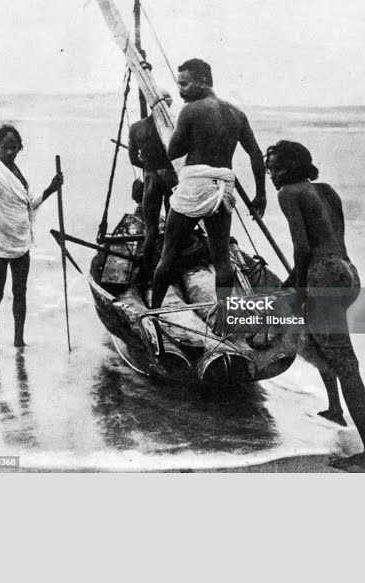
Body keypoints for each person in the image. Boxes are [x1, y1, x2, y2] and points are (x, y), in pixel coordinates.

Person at [265, 141, 365, 469]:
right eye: (268, 168)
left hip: (321, 276)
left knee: (345, 365)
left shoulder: (288, 193)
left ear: (294, 166)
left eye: (277, 168)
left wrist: (295, 284)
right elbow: (333, 237)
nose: (272, 175)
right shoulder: (325, 189)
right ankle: (335, 409)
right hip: (347, 273)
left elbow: (303, 248)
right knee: (313, 337)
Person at [151, 58, 266, 309]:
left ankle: (153, 312)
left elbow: (173, 151)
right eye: (178, 85)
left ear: (203, 81)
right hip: (223, 187)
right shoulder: (237, 113)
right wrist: (261, 195)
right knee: (222, 259)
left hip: (195, 185)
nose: (181, 90)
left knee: (168, 254)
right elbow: (256, 155)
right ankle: (224, 321)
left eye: (185, 84)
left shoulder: (191, 110)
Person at [0, 124, 62, 347]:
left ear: (19, 148)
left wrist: (51, 188)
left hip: (21, 239)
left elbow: (30, 203)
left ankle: (18, 340)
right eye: (5, 147)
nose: (9, 152)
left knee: (20, 292)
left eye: (13, 147)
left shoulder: (19, 174)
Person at [128, 110, 178, 282]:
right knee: (173, 228)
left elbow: (133, 159)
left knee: (151, 229)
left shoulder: (137, 128)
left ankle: (146, 272)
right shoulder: (172, 127)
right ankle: (170, 270)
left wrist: (149, 164)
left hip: (151, 178)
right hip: (171, 177)